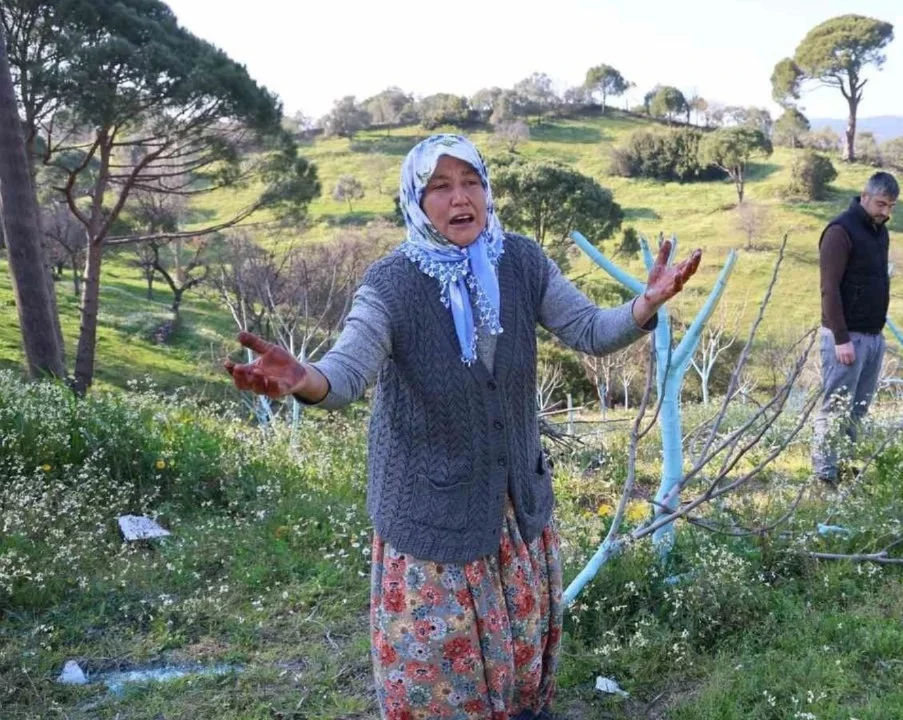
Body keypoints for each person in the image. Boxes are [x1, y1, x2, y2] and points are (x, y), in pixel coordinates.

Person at [224, 133, 701, 720]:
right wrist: (304, 379)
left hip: (512, 509)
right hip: (433, 519)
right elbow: (346, 371)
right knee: (441, 687)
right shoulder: (392, 284)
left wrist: (642, 307)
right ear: (415, 202)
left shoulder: (520, 260)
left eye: (471, 181)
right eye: (440, 187)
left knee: (521, 685)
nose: (460, 198)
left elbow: (586, 329)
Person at [811, 171, 898, 485]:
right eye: (881, 204)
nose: (885, 212)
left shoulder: (879, 232)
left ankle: (845, 468)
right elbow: (829, 289)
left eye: (890, 207)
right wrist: (841, 338)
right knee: (835, 407)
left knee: (858, 408)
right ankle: (824, 475)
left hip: (873, 337)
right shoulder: (839, 231)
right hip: (846, 338)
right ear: (865, 195)